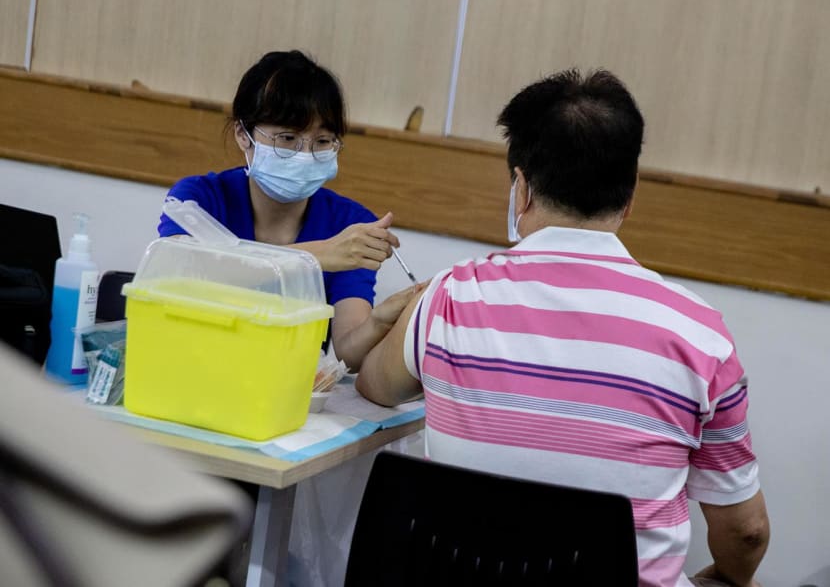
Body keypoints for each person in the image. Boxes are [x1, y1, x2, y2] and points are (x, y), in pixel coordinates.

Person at [356, 68, 770, 587]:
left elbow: (374, 384)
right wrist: (730, 579)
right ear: (630, 192)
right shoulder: (699, 336)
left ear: (521, 188)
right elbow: (747, 532)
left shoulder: (449, 295)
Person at [158, 50, 417, 370]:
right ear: (243, 134)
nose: (305, 154)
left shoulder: (350, 224)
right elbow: (178, 278)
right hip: (192, 370)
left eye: (323, 141)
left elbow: (347, 352)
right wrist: (316, 256)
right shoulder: (199, 199)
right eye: (288, 137)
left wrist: (380, 321)